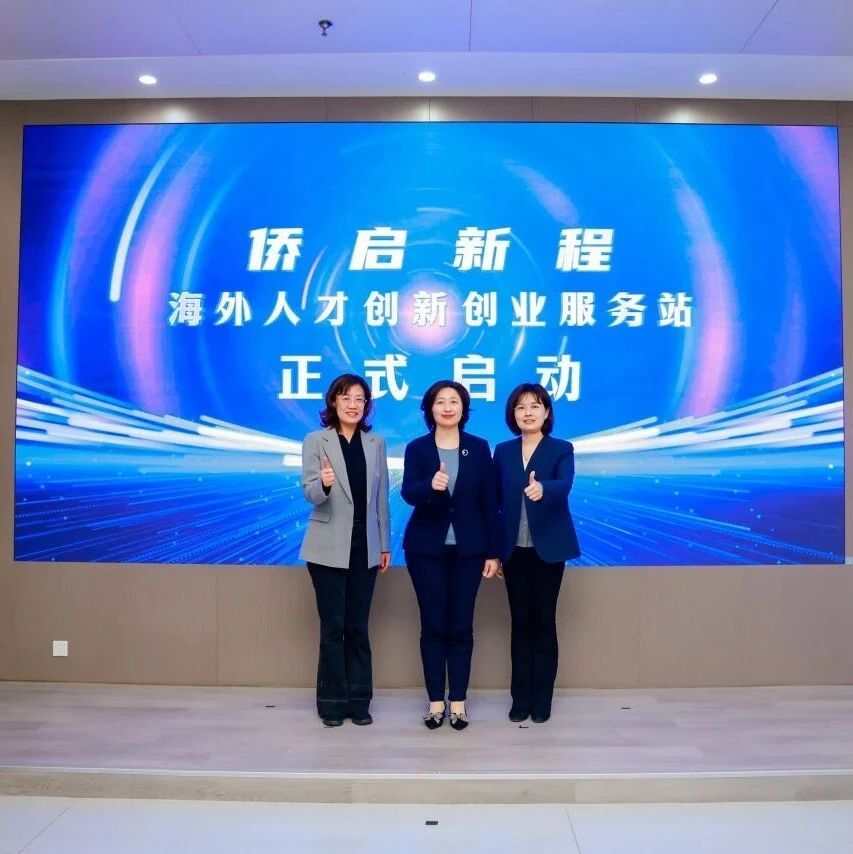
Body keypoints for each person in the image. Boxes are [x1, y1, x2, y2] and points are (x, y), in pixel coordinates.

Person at [401, 380, 501, 731]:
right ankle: (434, 702)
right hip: (425, 549)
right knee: (433, 626)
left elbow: (490, 502)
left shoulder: (479, 447)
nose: (447, 407)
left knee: (460, 626)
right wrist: (429, 487)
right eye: (440, 402)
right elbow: (408, 492)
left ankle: (458, 701)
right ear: (430, 409)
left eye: (454, 401)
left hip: (470, 551)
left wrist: (494, 552)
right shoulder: (417, 448)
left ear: (463, 408)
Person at [299, 373, 391, 727]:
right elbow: (309, 492)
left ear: (366, 406)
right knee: (332, 628)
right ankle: (332, 704)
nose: (353, 405)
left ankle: (360, 702)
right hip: (326, 549)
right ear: (333, 402)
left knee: (358, 627)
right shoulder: (316, 440)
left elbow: (381, 499)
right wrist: (323, 484)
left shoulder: (375, 443)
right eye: (346, 398)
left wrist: (384, 544)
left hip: (365, 548)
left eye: (360, 399)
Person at [493, 383, 580, 724]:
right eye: (521, 407)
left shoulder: (561, 448)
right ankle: (520, 698)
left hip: (549, 548)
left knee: (543, 623)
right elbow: (494, 500)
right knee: (520, 624)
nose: (527, 412)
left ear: (546, 412)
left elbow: (565, 484)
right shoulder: (502, 451)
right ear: (512, 414)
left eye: (534, 406)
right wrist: (493, 551)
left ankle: (542, 699)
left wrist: (544, 488)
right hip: (513, 550)